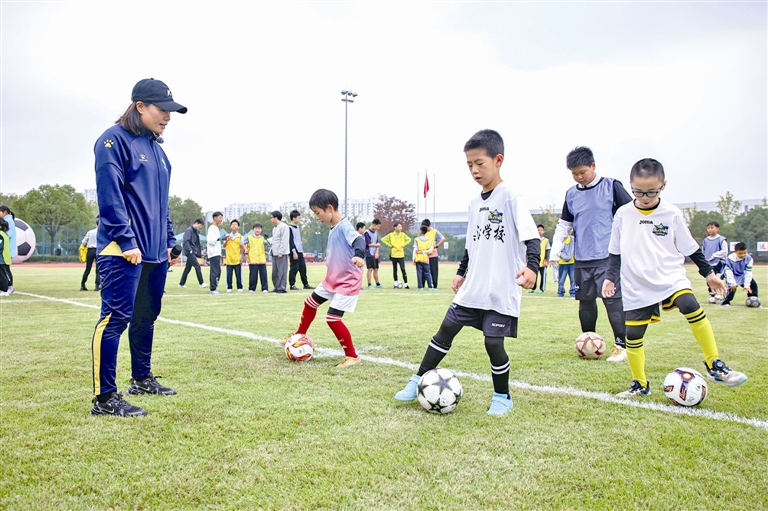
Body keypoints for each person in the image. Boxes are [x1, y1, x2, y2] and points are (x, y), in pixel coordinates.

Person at [395, 129, 541, 416]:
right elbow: (471, 245)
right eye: (469, 165)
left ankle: (502, 396)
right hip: (474, 286)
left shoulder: (511, 196)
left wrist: (532, 267)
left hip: (501, 288)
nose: (474, 170)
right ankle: (417, 380)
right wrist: (461, 272)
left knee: (493, 342)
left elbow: (531, 237)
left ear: (498, 160)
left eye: (479, 163)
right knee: (446, 329)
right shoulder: (475, 204)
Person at [603, 158, 747, 397]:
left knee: (689, 304)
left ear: (664, 186)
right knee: (633, 335)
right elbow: (615, 251)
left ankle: (714, 363)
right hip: (636, 283)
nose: (645, 197)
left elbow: (691, 248)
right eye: (638, 191)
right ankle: (640, 384)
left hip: (670, 276)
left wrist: (709, 274)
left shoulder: (671, 213)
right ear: (631, 185)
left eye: (652, 191)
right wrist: (610, 278)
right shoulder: (622, 214)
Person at [89, 78, 187, 417]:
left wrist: (170, 242)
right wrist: (126, 240)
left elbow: (162, 204)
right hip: (123, 250)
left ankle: (142, 379)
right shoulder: (112, 141)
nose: (168, 117)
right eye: (163, 110)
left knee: (146, 316)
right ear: (140, 106)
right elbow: (110, 197)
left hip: (155, 252)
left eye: (171, 112)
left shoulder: (158, 151)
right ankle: (105, 398)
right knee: (114, 319)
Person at [548, 146, 632, 363]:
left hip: (608, 257)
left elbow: (631, 214)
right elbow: (564, 225)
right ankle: (588, 342)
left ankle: (622, 346)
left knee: (611, 300)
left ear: (593, 166)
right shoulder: (571, 194)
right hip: (582, 258)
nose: (579, 177)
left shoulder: (612, 186)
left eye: (582, 172)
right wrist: (555, 252)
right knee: (585, 301)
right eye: (574, 174)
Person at [284, 188, 365, 368]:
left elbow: (359, 240)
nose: (317, 217)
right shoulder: (334, 227)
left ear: (329, 208)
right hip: (332, 279)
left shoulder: (344, 225)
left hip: (347, 281)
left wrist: (359, 255)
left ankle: (352, 356)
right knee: (310, 303)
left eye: (317, 212)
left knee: (333, 319)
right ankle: (299, 337)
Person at [721, 242, 758, 306]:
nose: (743, 255)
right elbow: (728, 272)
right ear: (735, 252)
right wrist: (732, 283)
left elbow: (748, 272)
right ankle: (726, 301)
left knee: (753, 284)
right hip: (732, 275)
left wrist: (747, 285)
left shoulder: (749, 259)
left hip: (742, 275)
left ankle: (753, 299)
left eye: (744, 253)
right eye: (740, 253)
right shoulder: (729, 259)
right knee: (731, 289)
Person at [381, 222, 412, 289]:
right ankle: (396, 283)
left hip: (401, 254)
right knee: (395, 269)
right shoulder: (391, 235)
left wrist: (404, 244)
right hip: (394, 254)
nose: (400, 228)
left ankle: (406, 284)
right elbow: (383, 239)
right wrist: (390, 245)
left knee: (403, 269)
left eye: (401, 227)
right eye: (399, 226)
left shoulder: (403, 234)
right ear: (395, 228)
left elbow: (409, 239)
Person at [288, 210, 313, 290]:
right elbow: (291, 241)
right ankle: (292, 285)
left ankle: (305, 284)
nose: (299, 219)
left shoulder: (298, 228)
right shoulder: (289, 228)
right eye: (298, 218)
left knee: (303, 268)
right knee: (294, 268)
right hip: (294, 251)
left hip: (300, 251)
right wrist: (294, 251)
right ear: (294, 218)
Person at [702, 221, 728, 300]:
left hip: (718, 261)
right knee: (709, 276)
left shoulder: (721, 239)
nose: (710, 229)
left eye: (712, 228)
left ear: (717, 229)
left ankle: (718, 293)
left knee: (712, 275)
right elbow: (703, 251)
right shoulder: (705, 241)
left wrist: (714, 256)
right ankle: (713, 293)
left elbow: (724, 251)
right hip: (708, 262)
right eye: (708, 228)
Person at [178, 218, 206, 289]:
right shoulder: (189, 230)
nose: (200, 227)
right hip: (190, 251)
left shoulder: (195, 231)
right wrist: (189, 249)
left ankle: (181, 284)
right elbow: (186, 241)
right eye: (200, 225)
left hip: (193, 250)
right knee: (197, 266)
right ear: (196, 223)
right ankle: (201, 283)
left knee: (188, 268)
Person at [245, 223, 269, 293]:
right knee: (253, 275)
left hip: (262, 258)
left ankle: (264, 288)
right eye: (256, 228)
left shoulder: (262, 238)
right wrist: (245, 249)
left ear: (261, 230)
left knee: (263, 275)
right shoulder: (249, 237)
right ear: (253, 229)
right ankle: (252, 288)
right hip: (253, 258)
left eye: (259, 228)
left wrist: (269, 245)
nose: (257, 230)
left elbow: (267, 244)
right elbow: (241, 242)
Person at [421, 219, 445, 289]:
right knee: (423, 270)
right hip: (424, 254)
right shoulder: (422, 232)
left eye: (426, 227)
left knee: (433, 271)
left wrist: (436, 246)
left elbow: (443, 238)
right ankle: (421, 285)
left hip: (433, 254)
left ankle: (434, 285)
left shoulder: (435, 231)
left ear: (429, 226)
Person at [270, 210, 290, 293]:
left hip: (281, 253)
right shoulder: (275, 228)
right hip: (274, 252)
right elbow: (276, 239)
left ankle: (281, 287)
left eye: (271, 217)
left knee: (281, 271)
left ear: (276, 218)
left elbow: (284, 240)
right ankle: (276, 286)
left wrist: (281, 251)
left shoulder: (284, 226)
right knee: (275, 272)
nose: (271, 219)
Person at [224, 219, 244, 292]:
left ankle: (239, 287)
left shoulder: (240, 236)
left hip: (237, 258)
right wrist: (227, 240)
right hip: (229, 258)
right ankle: (229, 287)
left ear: (238, 227)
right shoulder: (227, 236)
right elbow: (224, 245)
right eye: (232, 224)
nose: (234, 226)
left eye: (236, 224)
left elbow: (242, 247)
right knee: (229, 274)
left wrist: (241, 256)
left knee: (238, 274)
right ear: (230, 226)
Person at [80, 218, 101, 292]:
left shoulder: (90, 232)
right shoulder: (102, 232)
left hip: (90, 250)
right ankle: (97, 286)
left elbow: (84, 242)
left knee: (88, 269)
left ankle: (83, 285)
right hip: (99, 250)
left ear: (96, 224)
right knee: (98, 270)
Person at [206, 212, 224, 294]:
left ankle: (214, 287)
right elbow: (210, 240)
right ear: (215, 218)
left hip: (217, 252)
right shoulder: (212, 228)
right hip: (213, 253)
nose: (221, 219)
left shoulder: (216, 228)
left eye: (221, 218)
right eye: (220, 218)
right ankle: (213, 289)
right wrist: (218, 239)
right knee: (215, 271)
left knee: (217, 270)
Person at [529, 224, 550, 293]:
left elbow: (547, 250)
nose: (539, 231)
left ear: (543, 231)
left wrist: (546, 260)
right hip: (535, 261)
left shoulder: (546, 240)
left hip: (542, 261)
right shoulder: (533, 239)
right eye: (538, 230)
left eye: (541, 230)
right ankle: (533, 288)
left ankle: (542, 288)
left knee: (543, 275)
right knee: (534, 275)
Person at [0, 206, 16, 294]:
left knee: (5, 269)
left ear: (5, 212)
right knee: (4, 269)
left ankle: (9, 287)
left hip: (7, 249)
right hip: (5, 249)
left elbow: (9, 233)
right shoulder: (8, 220)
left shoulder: (9, 220)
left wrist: (2, 232)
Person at [414, 225, 435, 291]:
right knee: (428, 273)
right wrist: (423, 252)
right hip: (425, 258)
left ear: (420, 231)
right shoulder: (429, 240)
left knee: (419, 273)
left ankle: (420, 287)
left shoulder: (416, 239)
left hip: (418, 258)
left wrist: (413, 259)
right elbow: (430, 250)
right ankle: (430, 287)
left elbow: (415, 250)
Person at [364, 219, 383, 288]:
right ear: (374, 225)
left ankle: (378, 284)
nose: (378, 228)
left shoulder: (376, 232)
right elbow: (368, 244)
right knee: (370, 268)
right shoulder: (366, 233)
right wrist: (377, 245)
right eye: (378, 226)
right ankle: (369, 284)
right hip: (369, 253)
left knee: (376, 269)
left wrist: (377, 252)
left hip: (375, 253)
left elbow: (377, 243)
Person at [557, 230, 576, 298]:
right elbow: (557, 250)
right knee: (561, 280)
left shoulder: (573, 239)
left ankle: (573, 293)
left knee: (573, 279)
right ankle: (560, 292)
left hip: (572, 262)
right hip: (562, 263)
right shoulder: (560, 239)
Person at [0, 217, 11, 296]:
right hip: (3, 258)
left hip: (1, 258)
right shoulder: (4, 233)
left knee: (2, 275)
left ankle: (4, 290)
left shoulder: (1, 235)